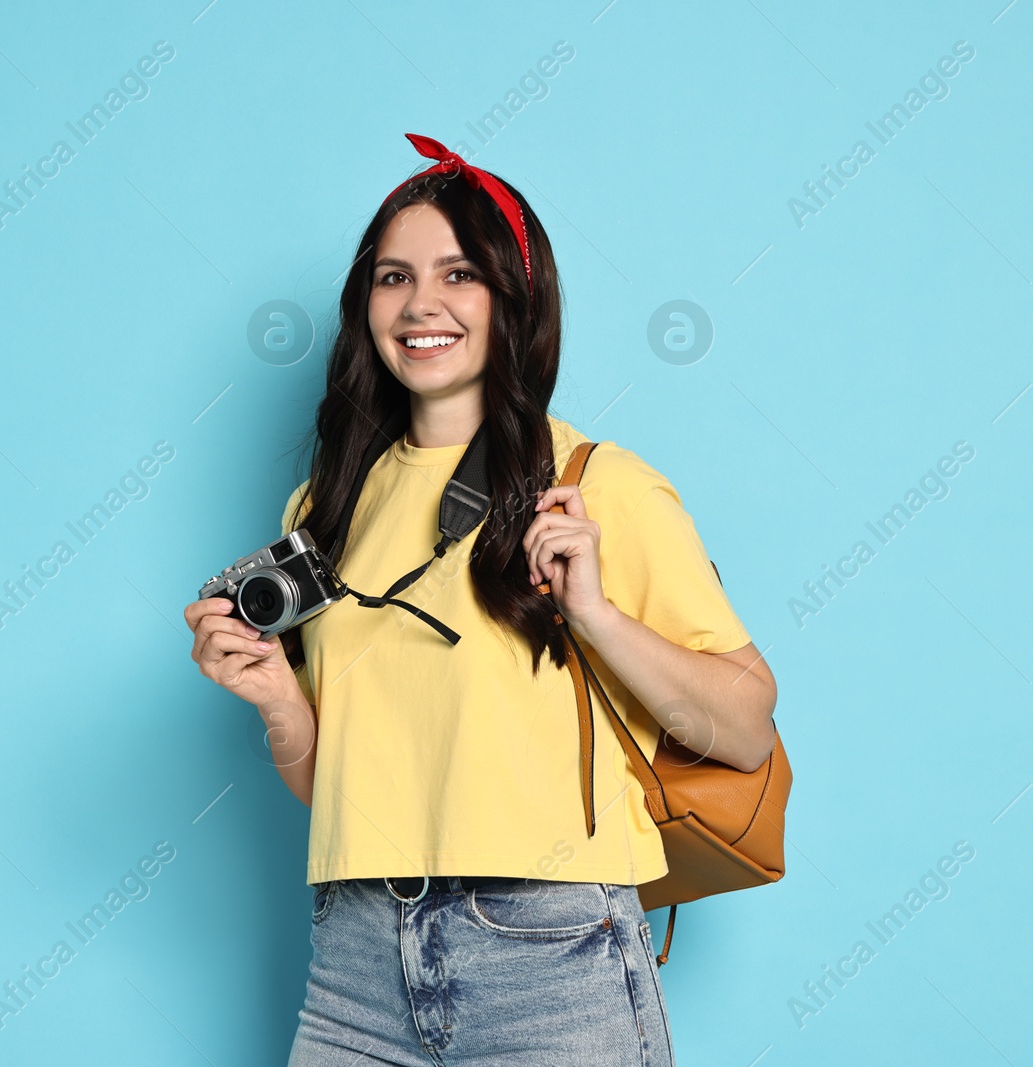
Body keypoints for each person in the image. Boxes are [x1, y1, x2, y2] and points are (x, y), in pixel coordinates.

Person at [184, 134, 778, 1066]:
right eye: (392, 278)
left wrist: (596, 614)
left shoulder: (597, 486)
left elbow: (744, 728)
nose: (421, 304)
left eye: (459, 273)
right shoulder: (324, 508)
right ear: (364, 306)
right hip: (354, 960)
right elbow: (335, 790)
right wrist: (276, 699)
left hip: (552, 958)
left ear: (515, 297)